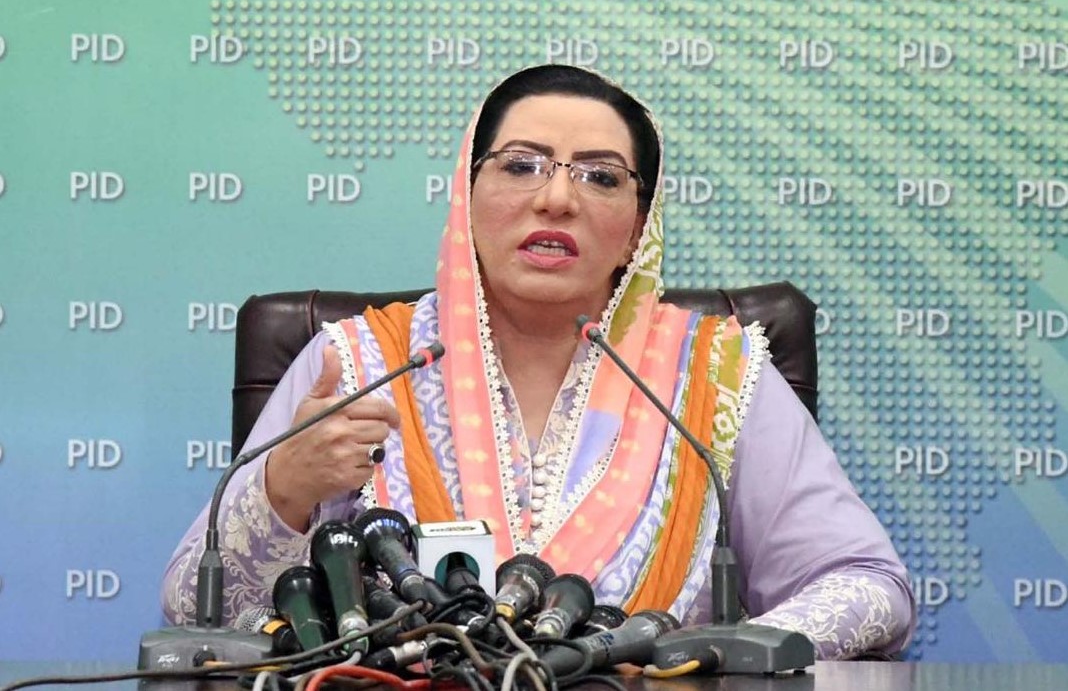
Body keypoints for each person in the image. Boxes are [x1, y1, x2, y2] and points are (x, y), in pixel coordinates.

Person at [162, 64, 915, 659]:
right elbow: (193, 614)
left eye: (600, 175)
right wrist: (285, 488)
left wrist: (713, 655)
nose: (556, 199)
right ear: (466, 194)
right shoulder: (358, 360)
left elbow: (868, 585)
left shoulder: (714, 374)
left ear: (638, 227)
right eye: (521, 166)